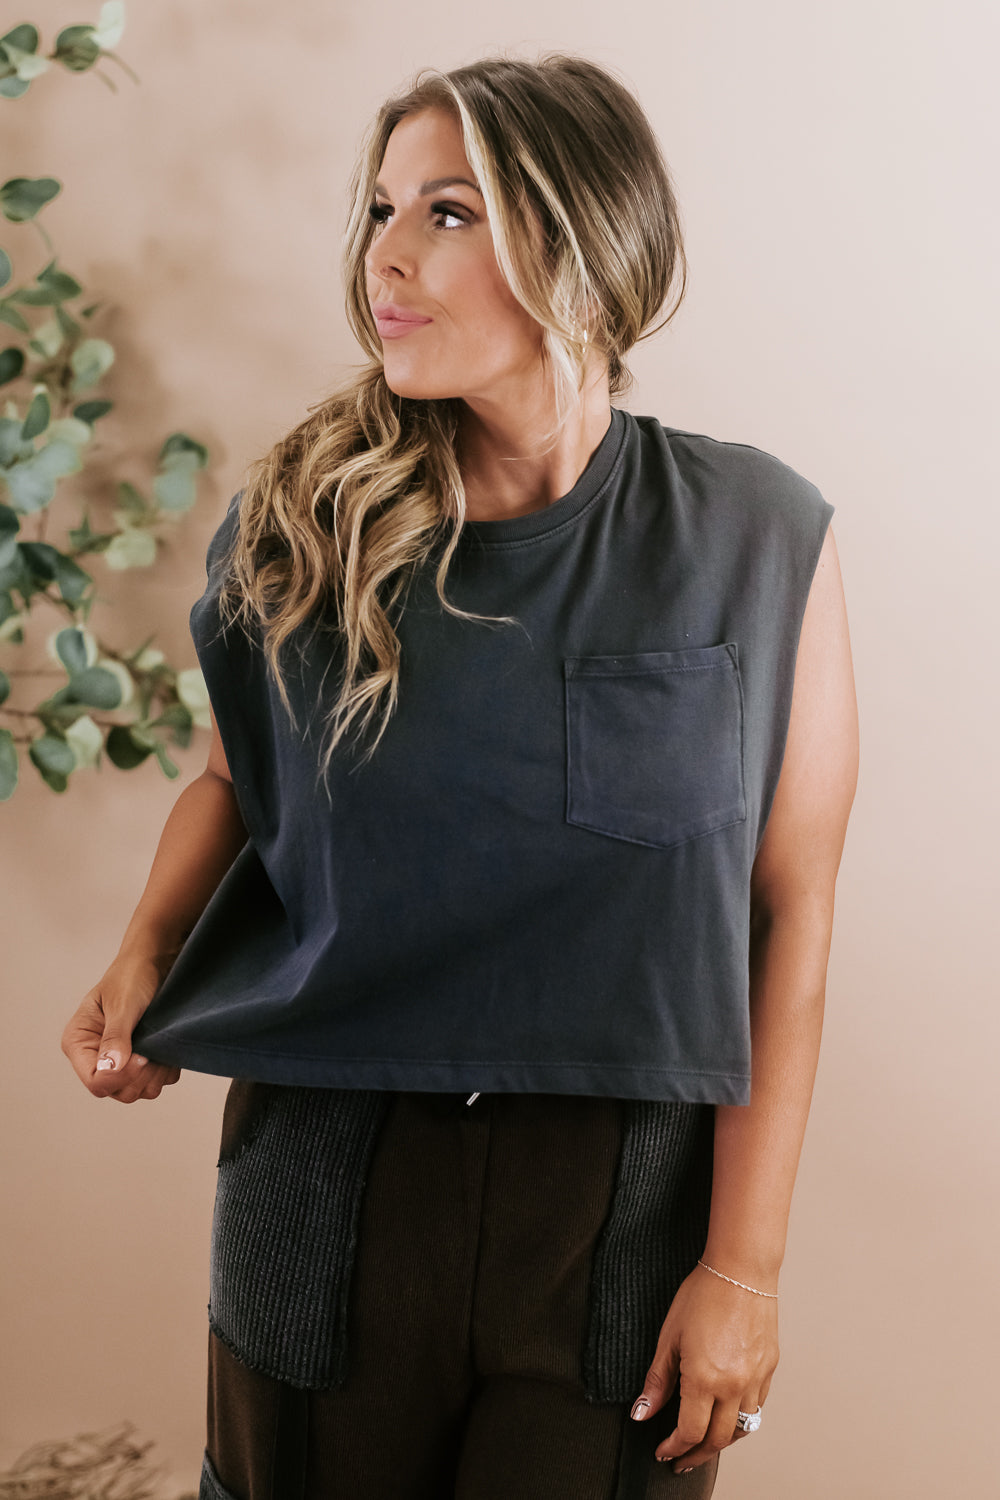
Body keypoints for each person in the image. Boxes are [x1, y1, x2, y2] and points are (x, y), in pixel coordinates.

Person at [62, 54, 858, 1500]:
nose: (386, 254)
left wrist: (745, 1268)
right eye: (380, 210)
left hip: (622, 1203)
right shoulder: (304, 523)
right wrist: (144, 947)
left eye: (447, 212)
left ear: (584, 241)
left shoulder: (757, 536)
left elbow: (788, 911)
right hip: (327, 1176)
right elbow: (234, 779)